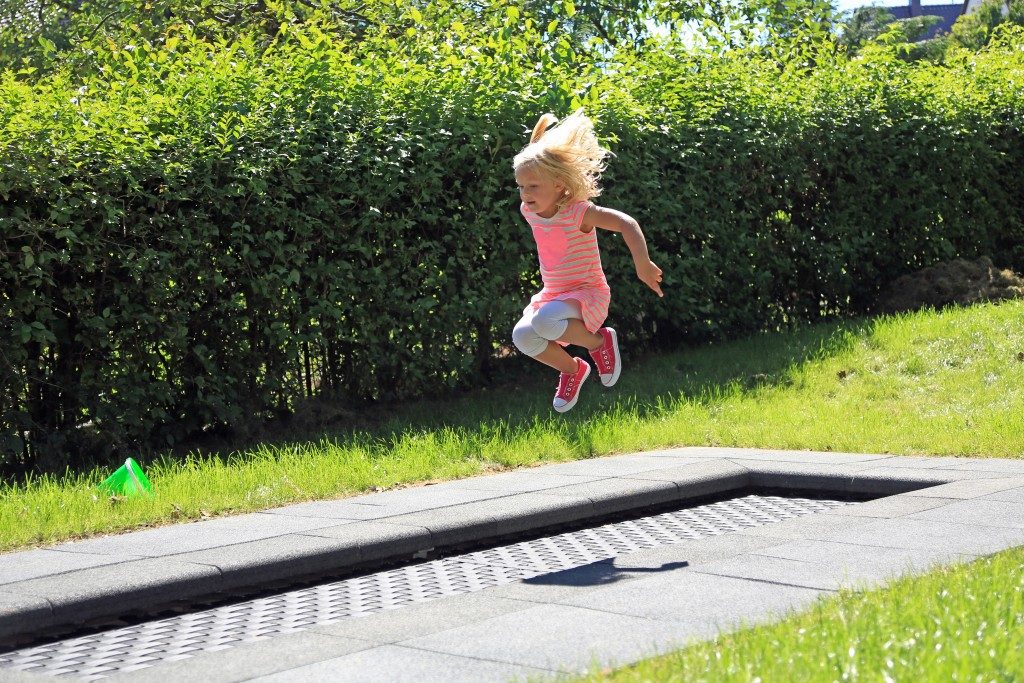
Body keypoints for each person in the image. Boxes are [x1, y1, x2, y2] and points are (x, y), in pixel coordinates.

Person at [511, 109, 664, 413]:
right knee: (523, 336)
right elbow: (537, 177)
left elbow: (626, 223)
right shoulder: (529, 211)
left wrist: (642, 263)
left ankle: (599, 343)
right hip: (554, 294)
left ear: (559, 184)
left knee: (545, 321)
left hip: (587, 292)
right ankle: (572, 370)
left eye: (533, 186)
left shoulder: (579, 212)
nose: (525, 194)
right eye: (521, 186)